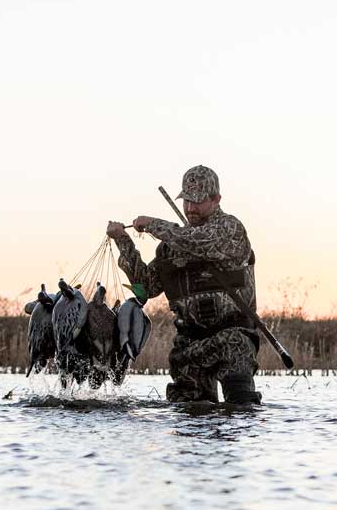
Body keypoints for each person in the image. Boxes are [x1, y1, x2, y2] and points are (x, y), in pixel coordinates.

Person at [106, 165, 263, 405]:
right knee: (189, 416)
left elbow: (197, 241)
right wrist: (123, 240)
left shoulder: (230, 230)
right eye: (187, 201)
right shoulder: (171, 246)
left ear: (216, 199)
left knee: (240, 409)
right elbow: (146, 287)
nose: (190, 208)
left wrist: (152, 224)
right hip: (189, 345)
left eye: (198, 202)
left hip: (233, 338)